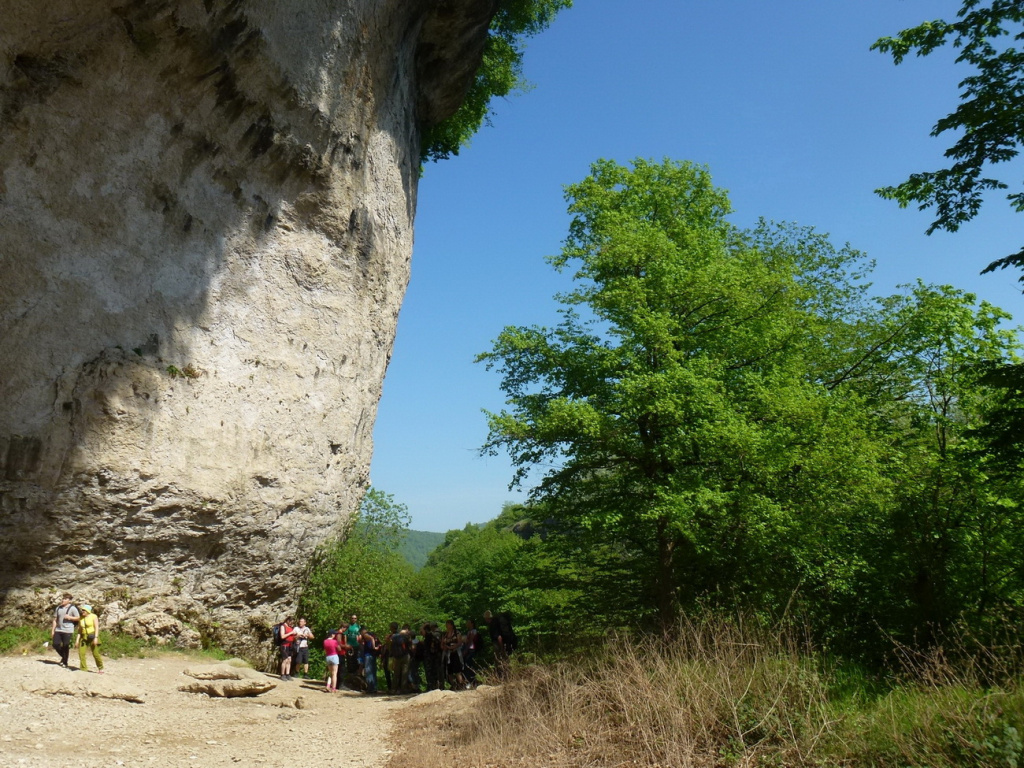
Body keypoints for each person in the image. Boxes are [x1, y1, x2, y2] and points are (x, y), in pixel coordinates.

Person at [50, 593, 79, 669]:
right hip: (58, 629)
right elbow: (55, 619)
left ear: (69, 601)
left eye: (65, 599)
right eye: (63, 598)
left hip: (68, 630)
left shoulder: (73, 608)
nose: (63, 600)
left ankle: (65, 662)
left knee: (66, 645)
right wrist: (53, 630)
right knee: (55, 644)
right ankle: (64, 657)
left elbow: (78, 618)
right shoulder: (58, 608)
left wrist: (70, 617)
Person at [484, 610, 517, 677]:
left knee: (500, 662)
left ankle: (504, 677)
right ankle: (508, 676)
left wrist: (502, 648)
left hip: (499, 646)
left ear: (487, 618)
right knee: (505, 661)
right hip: (505, 644)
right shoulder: (496, 622)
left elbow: (499, 637)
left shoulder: (493, 624)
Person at [76, 605, 104, 673]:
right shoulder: (81, 618)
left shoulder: (93, 616)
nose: (82, 611)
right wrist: (77, 640)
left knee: (95, 653)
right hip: (83, 636)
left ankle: (100, 667)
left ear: (88, 611)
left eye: (84, 610)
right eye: (82, 610)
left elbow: (96, 627)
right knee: (81, 653)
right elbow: (79, 630)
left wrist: (96, 637)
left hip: (92, 635)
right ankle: (83, 668)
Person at [441, 619, 466, 689]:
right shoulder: (445, 634)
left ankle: (461, 684)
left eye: (448, 624)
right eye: (446, 624)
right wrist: (445, 647)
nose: (447, 626)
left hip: (456, 653)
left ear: (451, 625)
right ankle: (453, 685)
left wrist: (452, 647)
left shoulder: (457, 633)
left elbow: (460, 642)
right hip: (448, 654)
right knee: (449, 671)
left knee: (458, 670)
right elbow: (442, 644)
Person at [387, 623, 410, 694]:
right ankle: (404, 689)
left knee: (396, 674)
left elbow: (388, 643)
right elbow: (409, 641)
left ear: (392, 628)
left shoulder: (392, 636)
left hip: (397, 657)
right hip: (405, 655)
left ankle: (394, 689)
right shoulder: (404, 636)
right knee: (404, 674)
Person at [421, 622, 443, 691]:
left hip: (433, 656)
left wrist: (424, 627)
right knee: (434, 671)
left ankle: (433, 686)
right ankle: (434, 686)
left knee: (432, 671)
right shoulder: (435, 634)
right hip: (433, 655)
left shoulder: (434, 634)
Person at [360, 627, 381, 694]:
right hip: (373, 655)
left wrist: (374, 647)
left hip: (368, 655)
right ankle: (374, 687)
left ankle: (370, 688)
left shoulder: (366, 635)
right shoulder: (371, 634)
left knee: (368, 672)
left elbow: (371, 639)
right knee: (373, 672)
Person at [463, 618, 481, 687]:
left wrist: (466, 650)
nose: (467, 624)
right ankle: (470, 681)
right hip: (468, 650)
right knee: (467, 666)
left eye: (468, 622)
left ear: (472, 624)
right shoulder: (468, 632)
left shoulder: (474, 631)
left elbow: (471, 641)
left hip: (471, 650)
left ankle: (473, 681)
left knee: (469, 665)